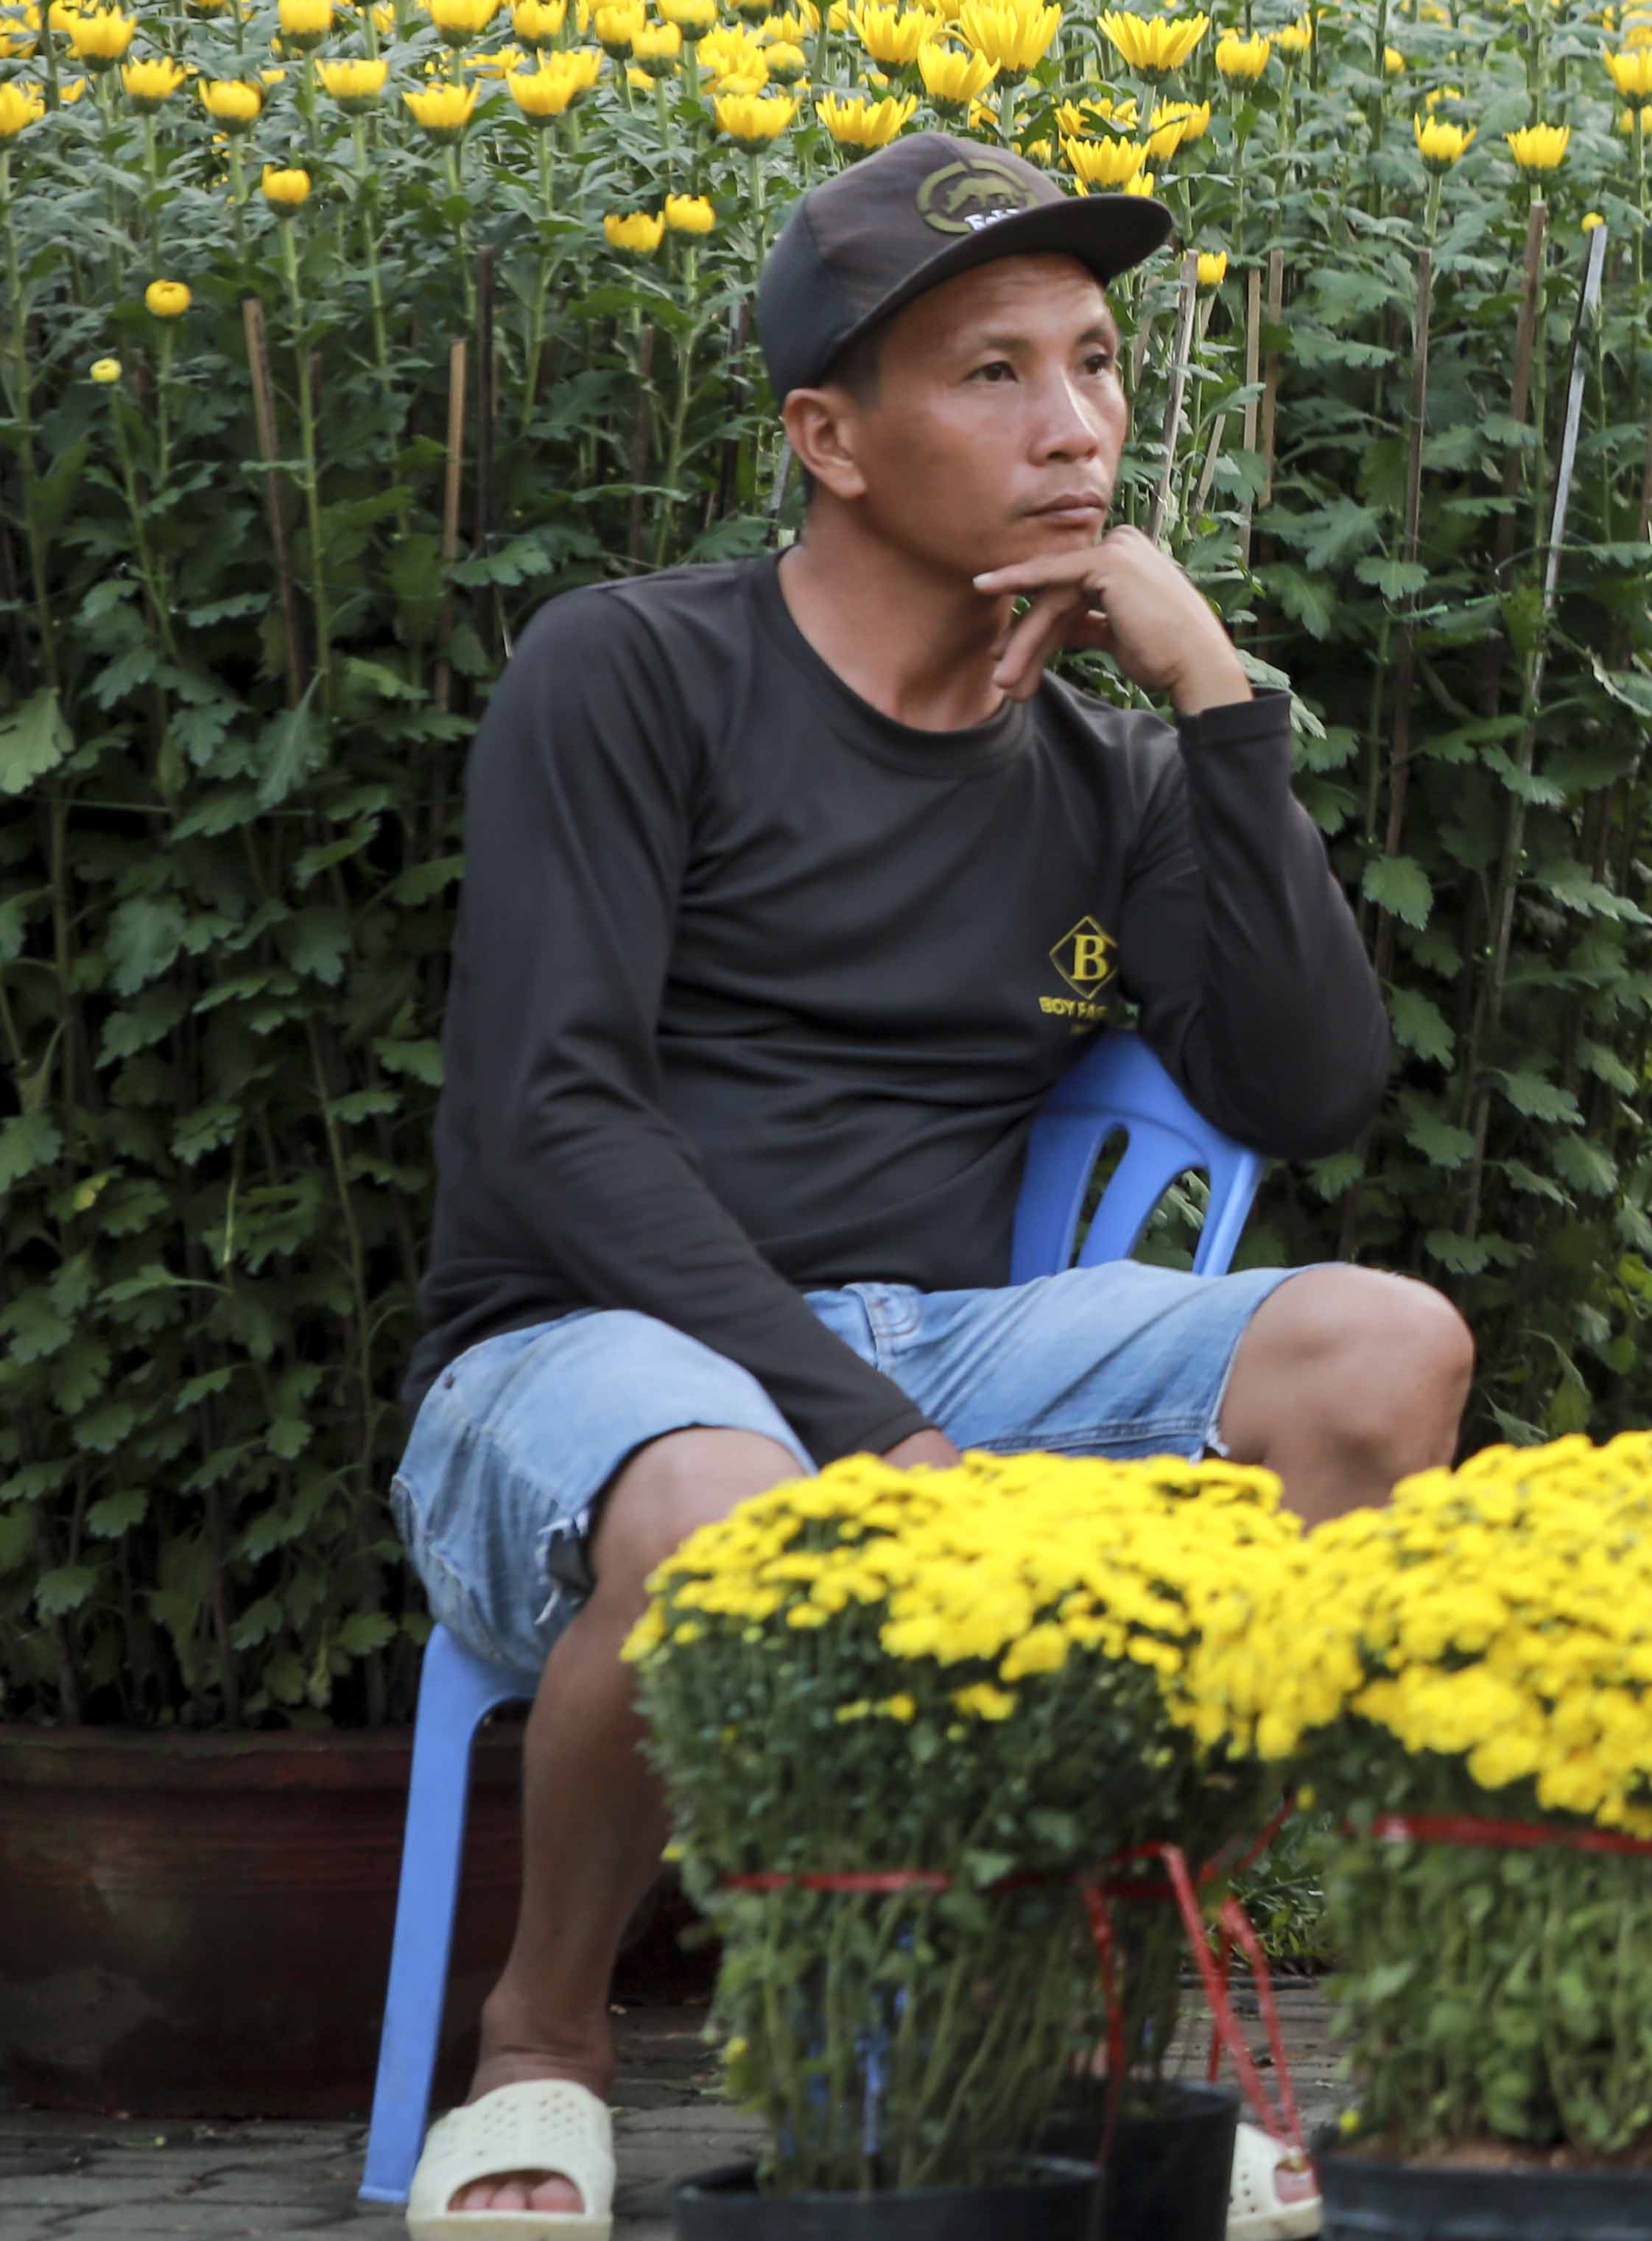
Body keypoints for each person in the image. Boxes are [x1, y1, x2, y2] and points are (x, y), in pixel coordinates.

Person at [393, 134, 1455, 2241]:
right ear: (832, 438)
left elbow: (1314, 1086)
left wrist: (1213, 702)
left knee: (1383, 1352)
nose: (1074, 426)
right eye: (992, 373)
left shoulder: (1103, 768)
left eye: (1094, 363)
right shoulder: (632, 674)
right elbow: (561, 1124)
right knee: (719, 1496)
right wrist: (881, 1447)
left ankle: (1075, 2028)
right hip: (582, 1357)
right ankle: (543, 2043)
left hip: (949, 1340)